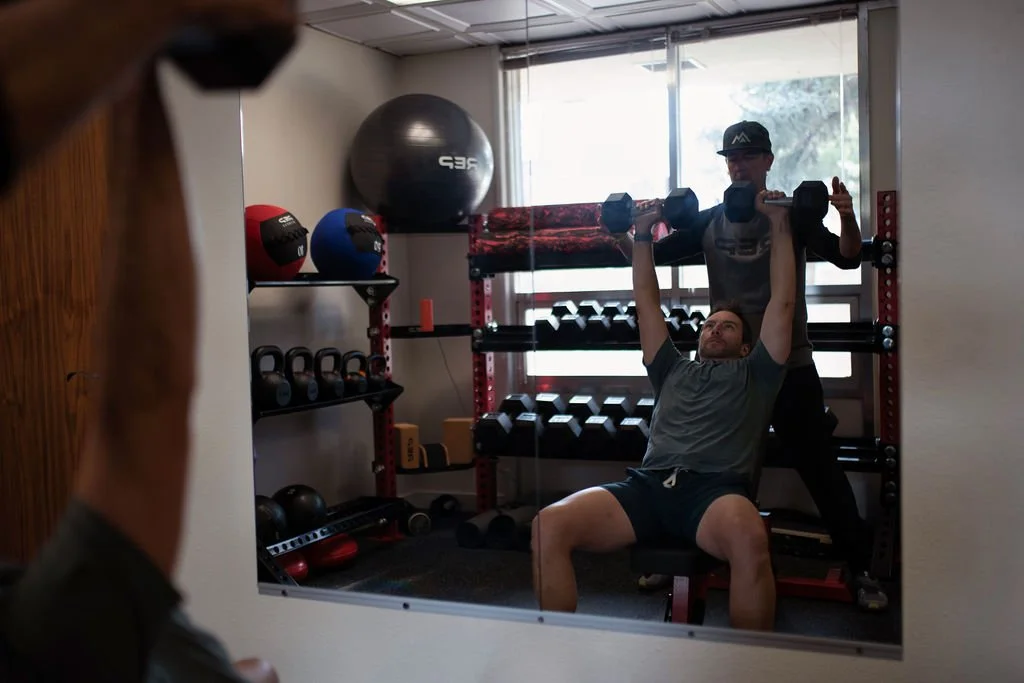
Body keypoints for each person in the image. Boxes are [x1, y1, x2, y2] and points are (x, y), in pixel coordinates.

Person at [0, 0, 294, 680]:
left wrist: (139, 54)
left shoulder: (56, 641)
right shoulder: (60, 644)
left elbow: (147, 395)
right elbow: (149, 398)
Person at [612, 120, 887, 612]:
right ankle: (681, 555)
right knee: (711, 466)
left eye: (748, 157)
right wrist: (624, 231)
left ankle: (861, 567)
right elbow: (650, 254)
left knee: (819, 468)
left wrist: (847, 216)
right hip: (728, 371)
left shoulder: (789, 215)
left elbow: (847, 258)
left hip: (788, 364)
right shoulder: (710, 220)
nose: (737, 166)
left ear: (768, 161)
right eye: (731, 159)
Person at [531, 188, 797, 631]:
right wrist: (640, 235)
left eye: (726, 327)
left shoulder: (759, 372)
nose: (714, 330)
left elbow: (783, 302)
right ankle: (557, 650)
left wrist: (780, 223)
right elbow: (647, 303)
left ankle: (754, 666)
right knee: (547, 526)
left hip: (714, 493)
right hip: (648, 489)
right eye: (709, 324)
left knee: (750, 539)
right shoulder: (671, 367)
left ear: (746, 344)